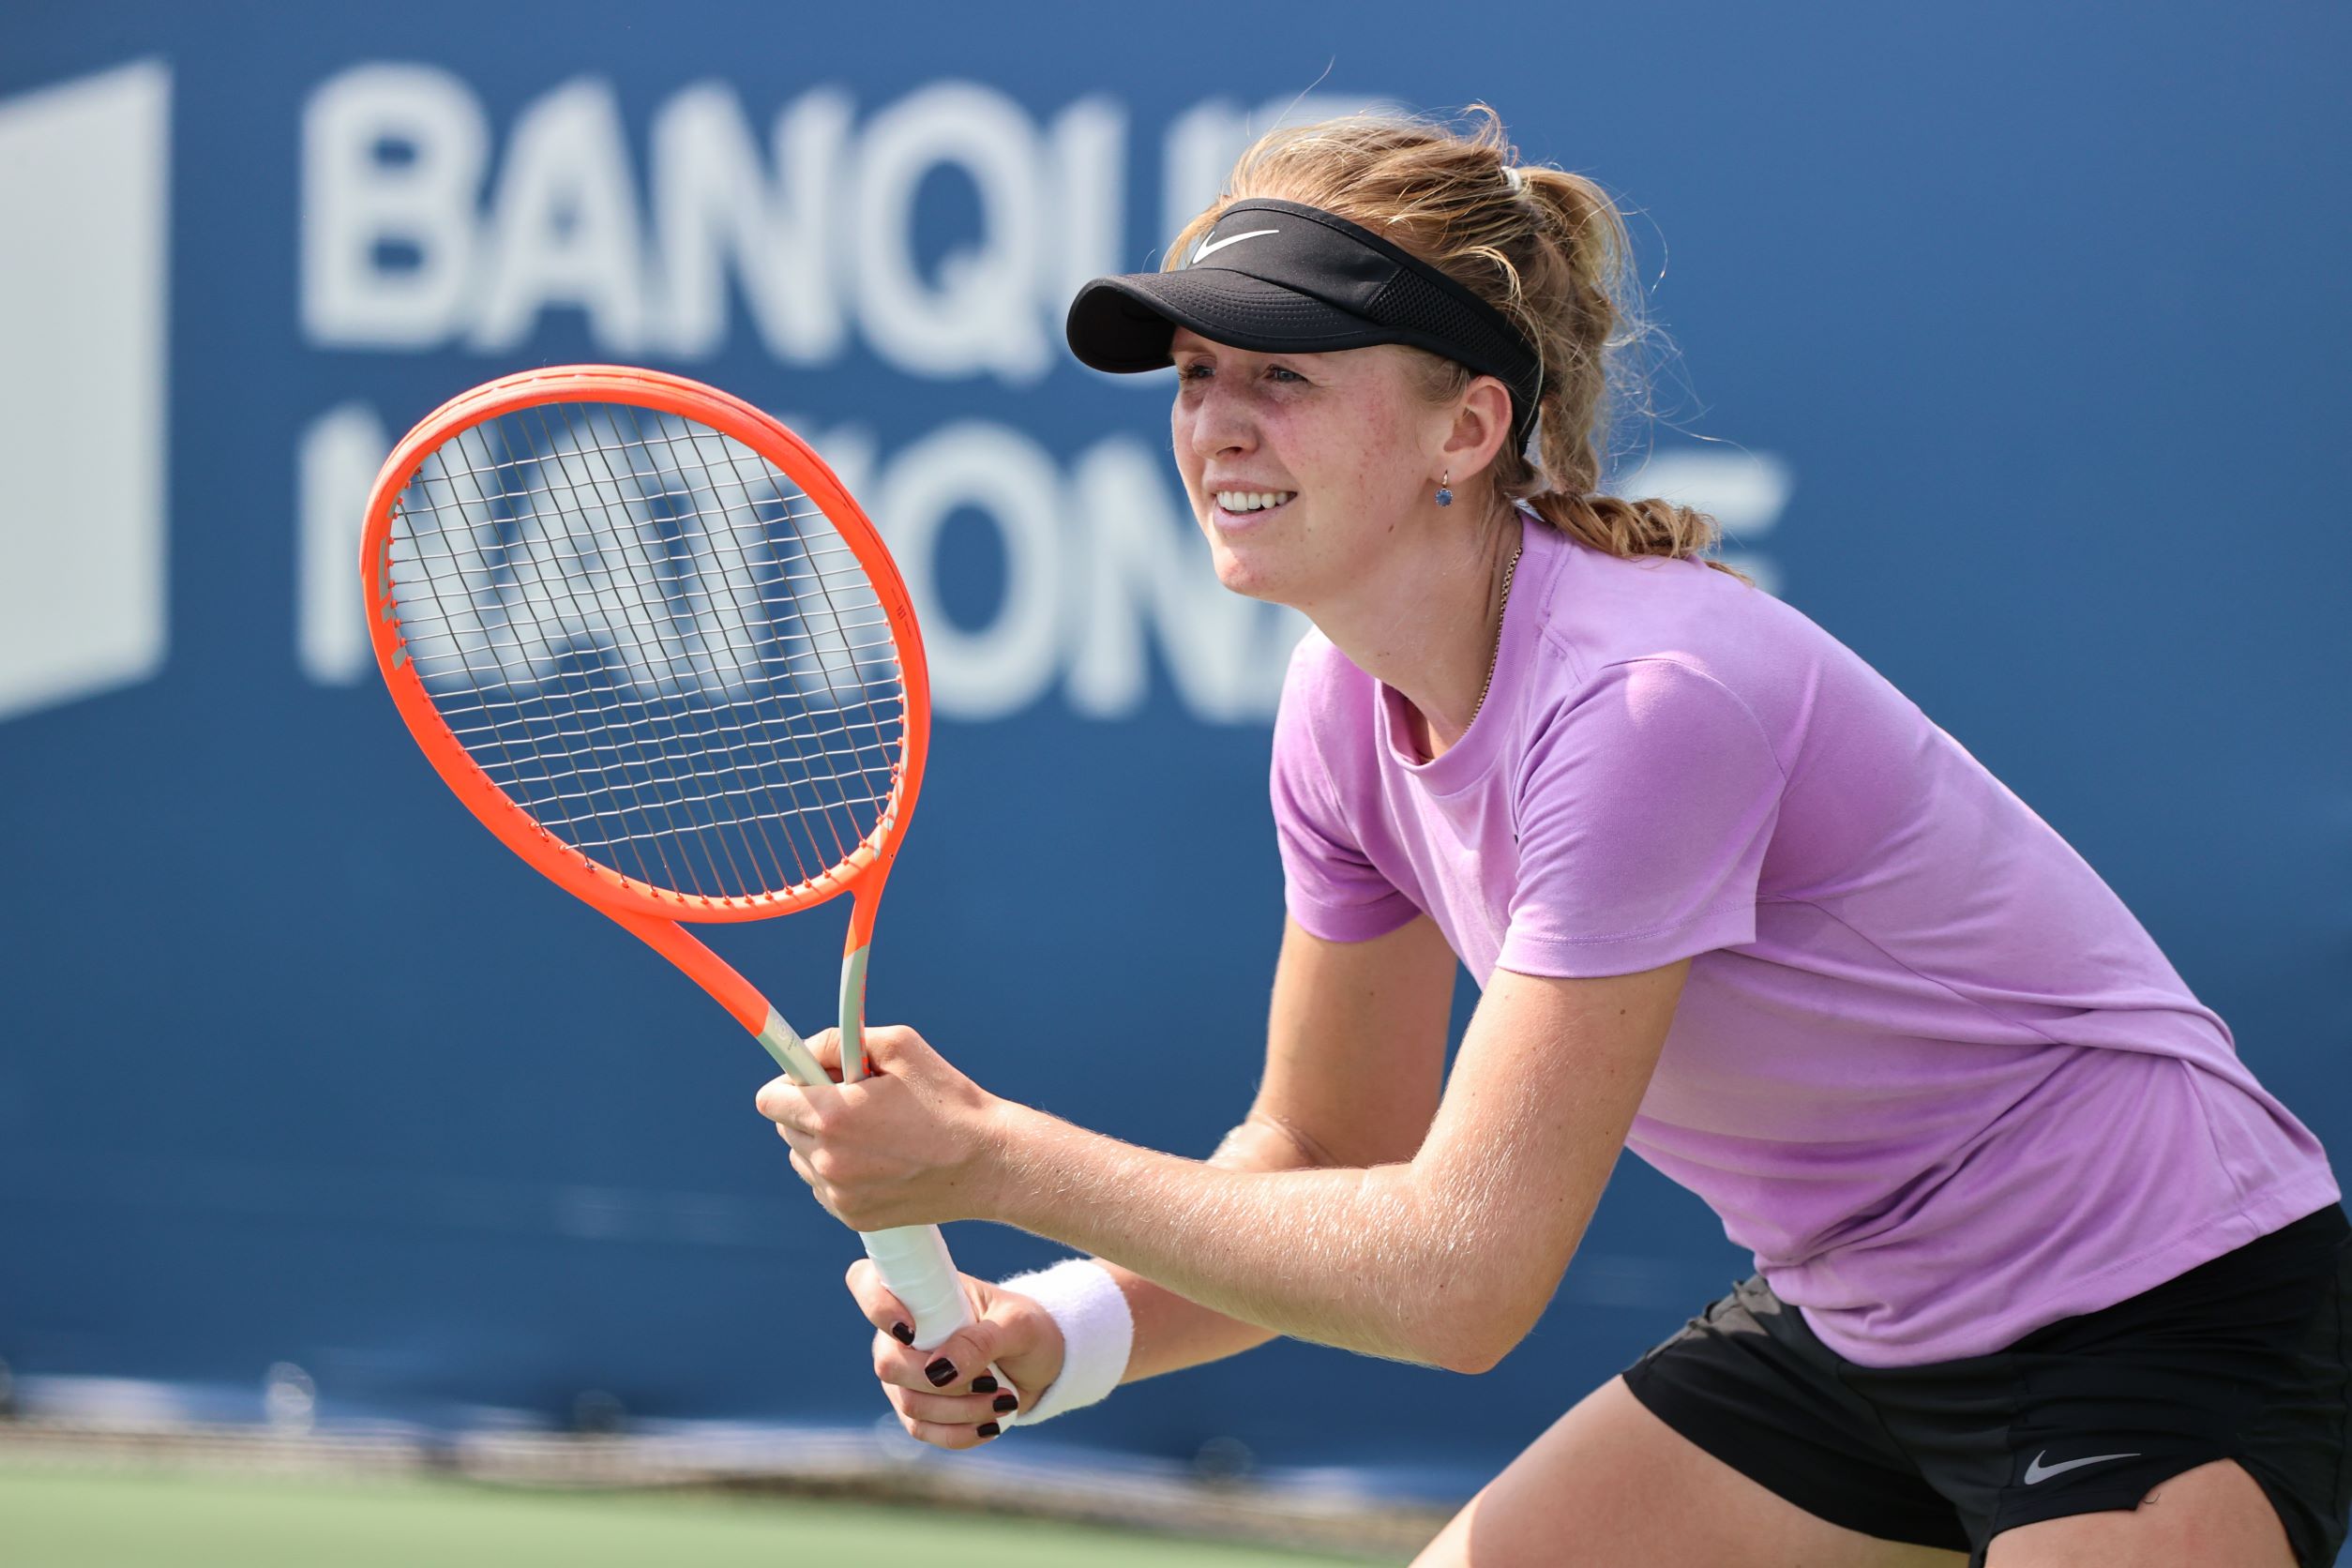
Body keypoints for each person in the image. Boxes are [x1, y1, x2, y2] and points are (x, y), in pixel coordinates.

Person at [754, 109, 2348, 1568]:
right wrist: (1057, 1327)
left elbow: (1459, 1282)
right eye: (1195, 377)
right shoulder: (1337, 713)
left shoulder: (1649, 704)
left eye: (1283, 376)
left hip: (2155, 1309)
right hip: (1860, 1324)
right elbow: (1327, 1158)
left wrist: (998, 1160)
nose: (1218, 428)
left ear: (1468, 430)